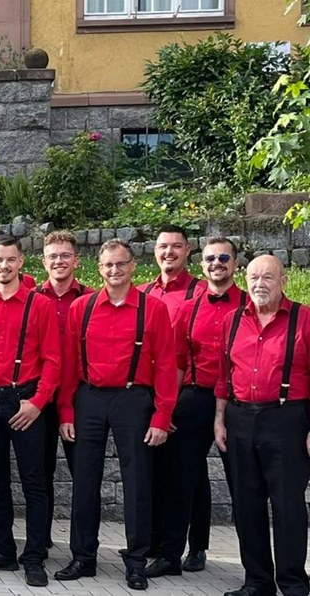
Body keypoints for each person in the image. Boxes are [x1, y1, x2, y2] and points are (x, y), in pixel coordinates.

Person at [56, 239, 176, 591]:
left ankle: (136, 561)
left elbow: (167, 366)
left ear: (133, 267)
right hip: (89, 398)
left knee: (137, 481)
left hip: (133, 399)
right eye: (108, 265)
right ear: (99, 268)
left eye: (120, 264)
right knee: (85, 480)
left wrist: (161, 415)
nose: (114, 271)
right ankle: (83, 557)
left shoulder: (152, 309)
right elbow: (68, 365)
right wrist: (66, 410)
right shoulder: (83, 307)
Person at [0, 236, 60, 587]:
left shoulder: (40, 305)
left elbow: (53, 360)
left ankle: (34, 555)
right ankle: (2, 550)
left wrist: (37, 402)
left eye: (10, 260)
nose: (3, 266)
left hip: (26, 399)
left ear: (21, 262)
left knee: (34, 482)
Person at [214, 255, 310, 596]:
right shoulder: (232, 321)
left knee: (288, 505)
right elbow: (224, 376)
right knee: (246, 503)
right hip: (240, 418)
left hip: (286, 419)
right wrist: (219, 418)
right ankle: (257, 581)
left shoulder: (304, 319)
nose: (259, 284)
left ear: (283, 281)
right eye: (254, 276)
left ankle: (293, 582)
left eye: (268, 277)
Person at [148, 237, 243, 578]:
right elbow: (175, 362)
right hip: (196, 396)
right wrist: (168, 408)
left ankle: (253, 565)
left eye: (224, 257)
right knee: (179, 477)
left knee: (243, 485)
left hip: (238, 402)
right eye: (211, 258)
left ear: (235, 264)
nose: (217, 263)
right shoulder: (190, 309)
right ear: (202, 265)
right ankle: (170, 556)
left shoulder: (248, 305)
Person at [139, 225, 206, 564]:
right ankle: (154, 541)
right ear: (154, 251)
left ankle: (197, 546)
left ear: (188, 250)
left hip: (185, 392)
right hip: (147, 391)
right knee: (156, 469)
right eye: (163, 246)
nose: (169, 252)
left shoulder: (201, 291)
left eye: (176, 247)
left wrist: (173, 402)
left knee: (190, 473)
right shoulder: (141, 292)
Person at [37, 230, 87, 547]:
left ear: (76, 260)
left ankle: (82, 546)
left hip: (78, 398)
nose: (59, 261)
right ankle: (41, 540)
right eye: (53, 256)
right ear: (43, 261)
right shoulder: (32, 298)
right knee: (40, 474)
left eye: (65, 255)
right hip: (40, 398)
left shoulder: (90, 299)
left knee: (82, 473)